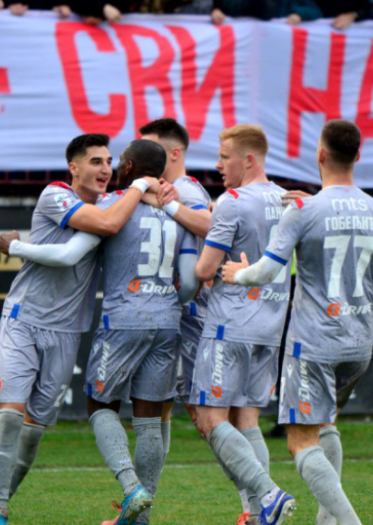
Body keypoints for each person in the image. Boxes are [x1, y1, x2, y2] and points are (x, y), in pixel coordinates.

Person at [222, 119, 373, 525]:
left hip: (313, 343)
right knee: (327, 422)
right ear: (358, 155)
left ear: (319, 154)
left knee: (301, 442)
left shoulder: (304, 211)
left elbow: (266, 272)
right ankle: (327, 522)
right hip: (359, 343)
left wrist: (237, 274)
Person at [0, 134, 161, 525]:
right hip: (24, 319)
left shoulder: (111, 205)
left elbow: (91, 235)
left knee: (33, 431)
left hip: (67, 331)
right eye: (95, 161)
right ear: (73, 168)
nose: (105, 168)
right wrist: (143, 186)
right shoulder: (55, 194)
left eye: (109, 161)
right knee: (10, 415)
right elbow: (71, 251)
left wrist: (155, 193)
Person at [82, 139, 199, 525]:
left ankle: (132, 488)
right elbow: (188, 280)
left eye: (119, 162)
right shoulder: (175, 211)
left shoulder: (112, 204)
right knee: (149, 419)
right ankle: (140, 518)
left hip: (124, 318)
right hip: (167, 319)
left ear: (129, 167)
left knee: (100, 406)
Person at [192, 124, 295, 525]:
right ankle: (257, 515)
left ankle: (268, 493)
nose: (218, 165)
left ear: (248, 160)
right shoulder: (287, 200)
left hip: (229, 325)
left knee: (211, 419)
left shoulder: (232, 202)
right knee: (248, 420)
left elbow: (204, 269)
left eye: (225, 157)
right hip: (270, 325)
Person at [138, 118, 211, 468]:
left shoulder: (185, 191)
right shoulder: (169, 188)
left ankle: (258, 491)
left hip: (189, 317)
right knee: (159, 404)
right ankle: (146, 493)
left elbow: (210, 227)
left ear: (175, 153)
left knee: (205, 415)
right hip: (175, 316)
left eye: (152, 149)